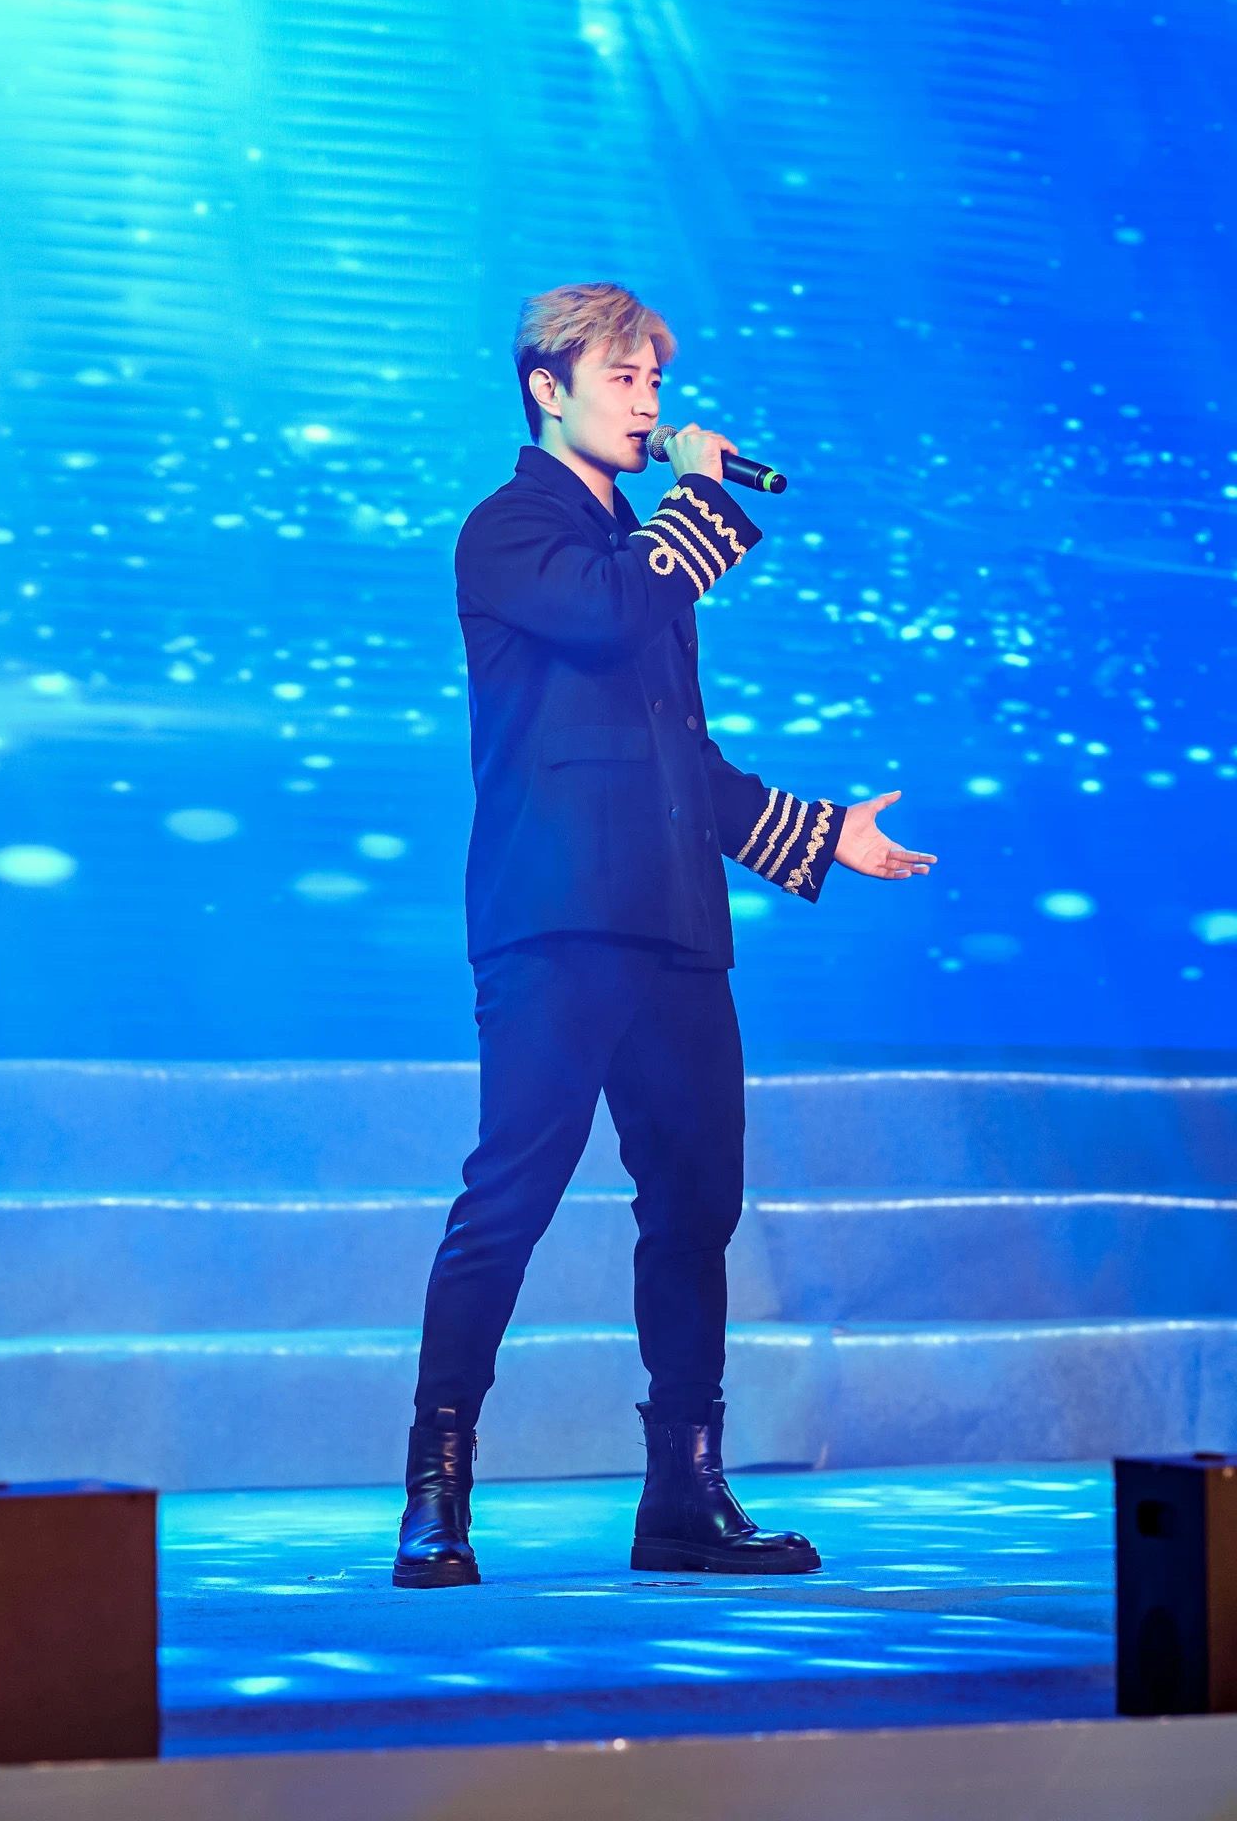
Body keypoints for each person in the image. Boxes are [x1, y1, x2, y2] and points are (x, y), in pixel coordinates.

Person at [393, 281, 937, 1588]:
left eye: (654, 381)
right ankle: (436, 1485)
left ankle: (684, 1493)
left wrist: (821, 833)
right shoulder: (511, 532)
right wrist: (702, 493)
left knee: (696, 1205)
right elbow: (605, 612)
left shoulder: (646, 555)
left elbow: (681, 758)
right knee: (510, 1198)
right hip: (556, 924)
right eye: (625, 380)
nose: (650, 405)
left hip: (677, 928)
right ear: (549, 390)